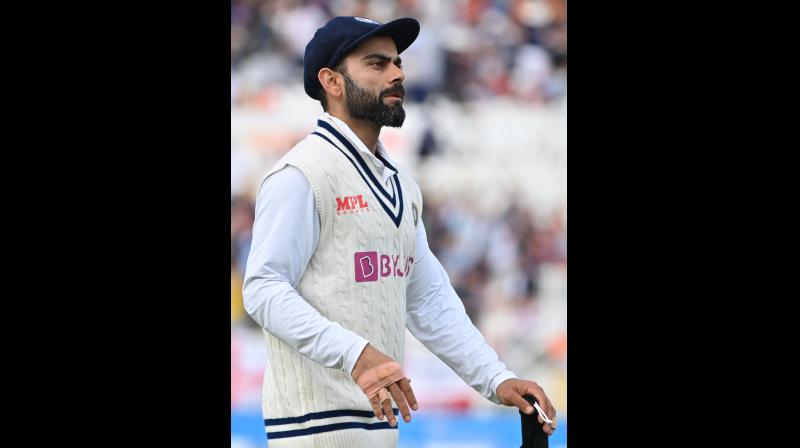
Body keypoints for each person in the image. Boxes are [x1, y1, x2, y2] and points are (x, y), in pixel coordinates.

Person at [243, 16, 556, 447]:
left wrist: (496, 378)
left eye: (398, 62)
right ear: (331, 81)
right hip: (314, 432)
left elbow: (428, 298)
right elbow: (262, 288)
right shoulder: (302, 174)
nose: (397, 74)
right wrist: (355, 353)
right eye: (377, 64)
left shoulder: (400, 184)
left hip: (379, 432)